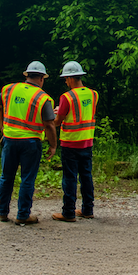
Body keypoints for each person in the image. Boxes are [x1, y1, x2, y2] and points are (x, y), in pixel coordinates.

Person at [0, 61, 58, 225]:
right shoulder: (43, 97)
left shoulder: (9, 89)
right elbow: (49, 124)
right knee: (27, 178)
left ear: (26, 75)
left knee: (6, 177)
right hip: (30, 143)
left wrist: (3, 129)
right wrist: (53, 145)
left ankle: (2, 213)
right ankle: (23, 214)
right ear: (42, 78)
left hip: (10, 140)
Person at [51, 60, 98, 222]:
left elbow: (58, 121)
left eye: (66, 79)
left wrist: (54, 115)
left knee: (70, 177)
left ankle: (68, 212)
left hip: (70, 143)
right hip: (87, 142)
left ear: (71, 79)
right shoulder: (93, 94)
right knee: (86, 176)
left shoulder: (66, 97)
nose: (65, 81)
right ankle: (87, 209)